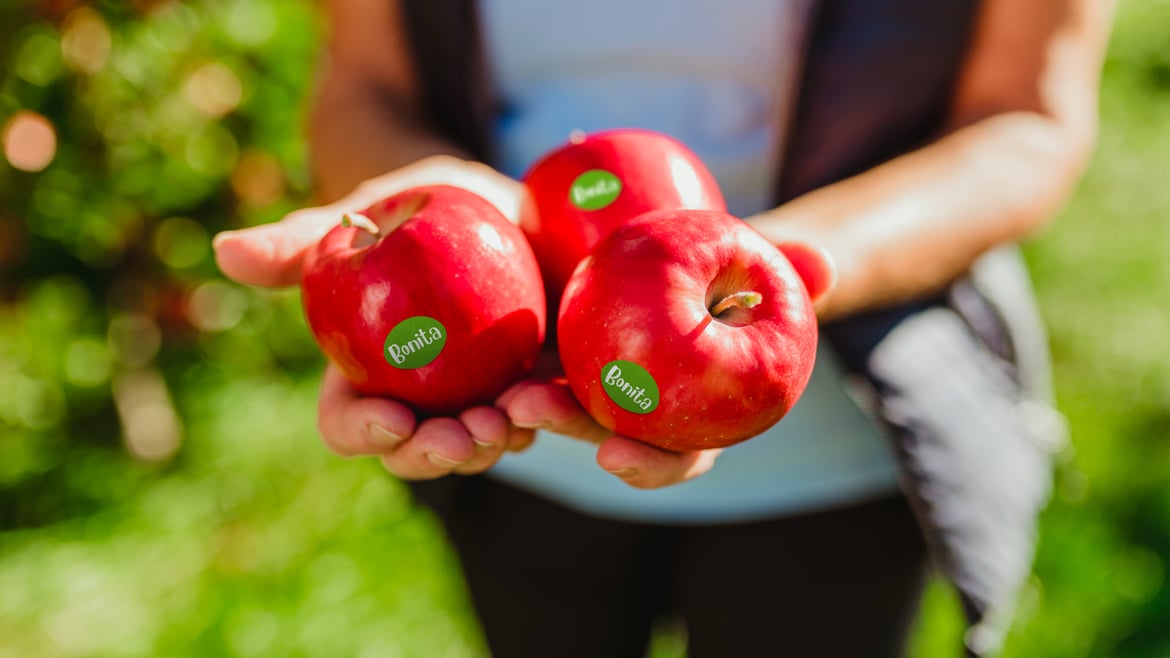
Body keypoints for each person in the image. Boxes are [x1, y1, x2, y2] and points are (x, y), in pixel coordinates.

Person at [213, 0, 1114, 655]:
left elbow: (1026, 117)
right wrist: (435, 241)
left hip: (842, 449)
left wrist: (791, 265)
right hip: (516, 426)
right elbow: (364, 81)